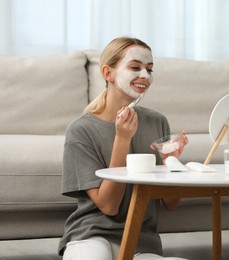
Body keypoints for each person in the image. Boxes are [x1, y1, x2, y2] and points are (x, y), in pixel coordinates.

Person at [58, 37, 189, 260]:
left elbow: (171, 203)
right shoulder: (81, 130)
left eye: (150, 69)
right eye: (135, 67)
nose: (145, 76)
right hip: (91, 235)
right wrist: (122, 139)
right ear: (108, 73)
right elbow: (109, 206)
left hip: (142, 242)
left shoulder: (157, 122)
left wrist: (171, 163)